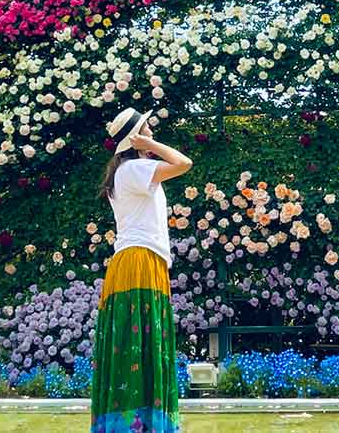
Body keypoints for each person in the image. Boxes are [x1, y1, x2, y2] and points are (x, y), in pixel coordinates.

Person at [90, 106, 193, 433]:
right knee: (142, 343)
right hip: (139, 261)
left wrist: (143, 143)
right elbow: (183, 163)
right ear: (134, 138)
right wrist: (149, 143)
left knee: (138, 342)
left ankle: (135, 424)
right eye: (147, 128)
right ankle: (138, 426)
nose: (152, 132)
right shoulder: (134, 168)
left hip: (138, 261)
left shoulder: (129, 170)